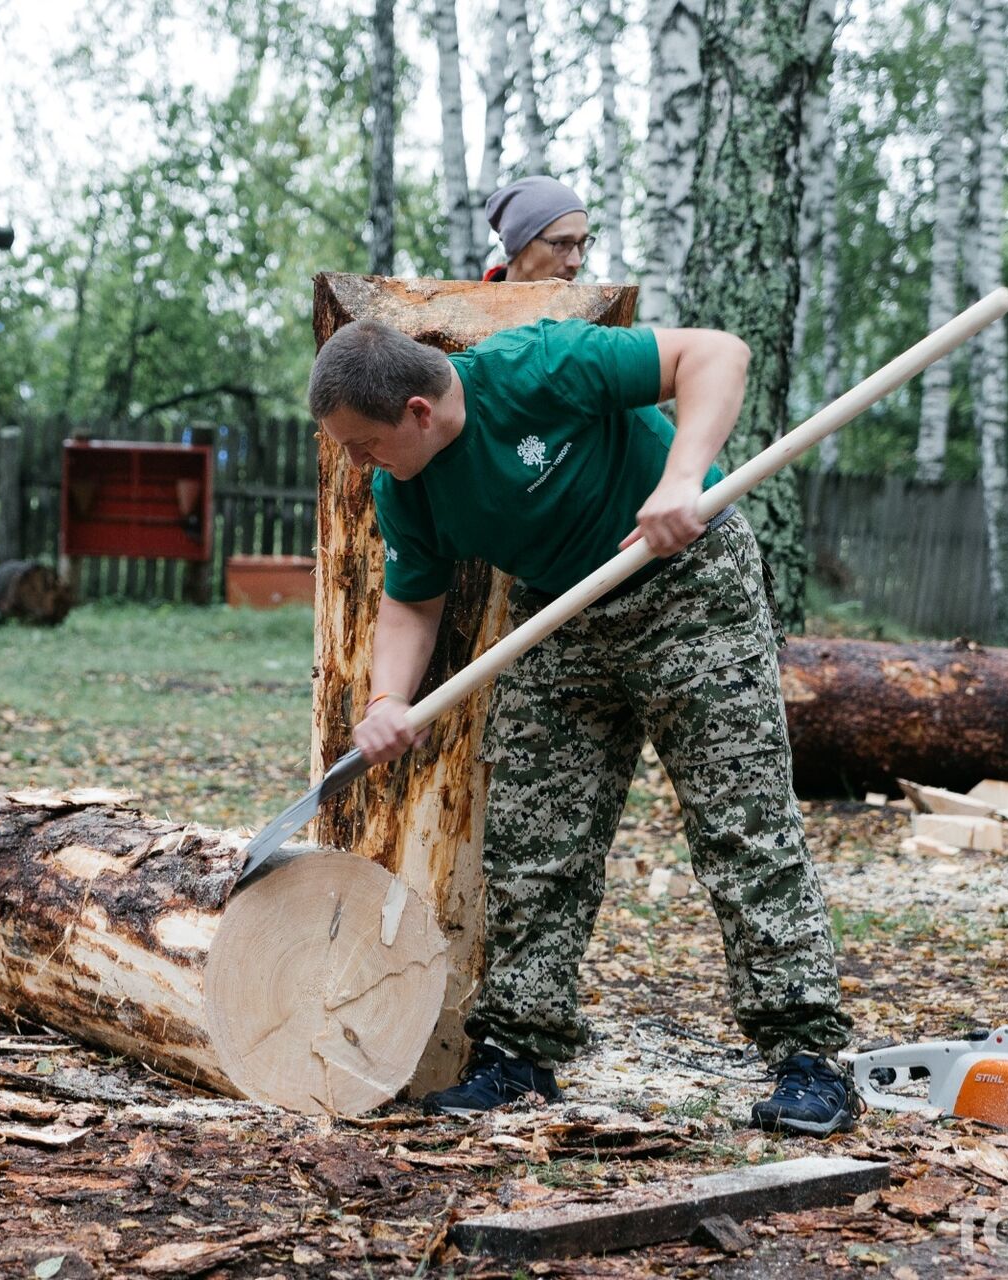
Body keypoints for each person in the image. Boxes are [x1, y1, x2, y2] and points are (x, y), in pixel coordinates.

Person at [307, 276, 858, 1135]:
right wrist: (387, 697)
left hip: (686, 586)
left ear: (418, 410)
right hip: (558, 618)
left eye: (365, 443)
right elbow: (412, 601)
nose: (357, 463)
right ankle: (521, 1054)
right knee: (534, 842)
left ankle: (807, 1056)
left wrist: (681, 481)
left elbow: (715, 353)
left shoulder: (537, 367)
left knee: (740, 825)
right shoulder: (402, 486)